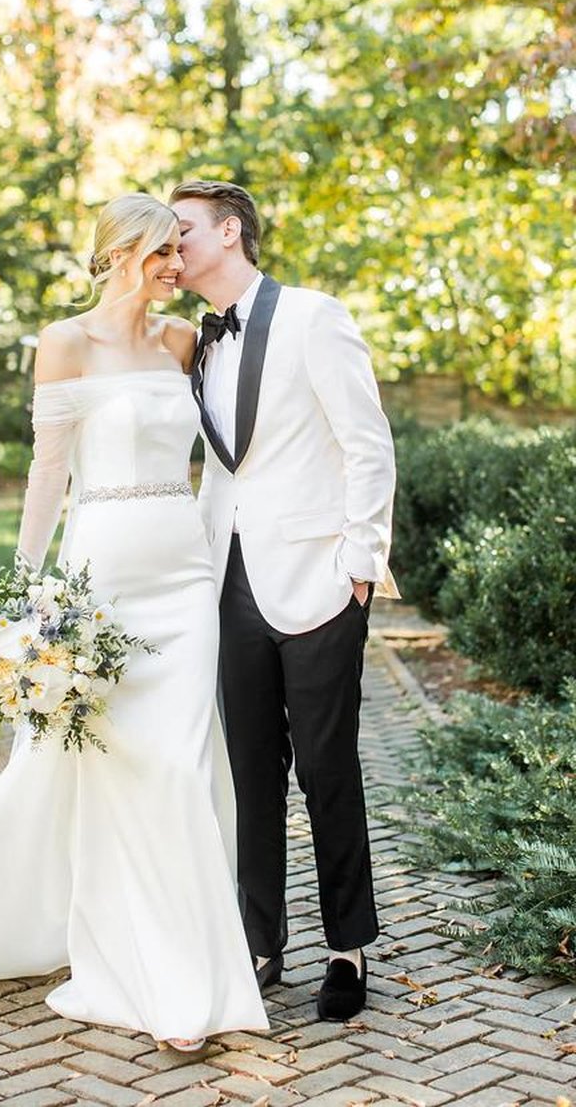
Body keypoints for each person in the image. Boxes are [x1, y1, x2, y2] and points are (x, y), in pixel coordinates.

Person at [0, 193, 268, 1050]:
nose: (175, 266)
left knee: (179, 767)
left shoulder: (183, 342)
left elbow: (227, 452)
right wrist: (26, 590)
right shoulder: (64, 344)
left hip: (184, 577)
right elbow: (47, 475)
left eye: (178, 251)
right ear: (117, 255)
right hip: (103, 577)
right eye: (160, 253)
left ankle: (188, 969)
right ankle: (128, 958)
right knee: (117, 768)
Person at [169, 179, 399, 1022]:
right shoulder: (196, 342)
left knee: (327, 770)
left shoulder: (313, 317)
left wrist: (360, 562)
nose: (171, 245)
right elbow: (222, 467)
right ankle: (259, 944)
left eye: (183, 229)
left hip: (320, 578)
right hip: (227, 578)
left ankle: (348, 948)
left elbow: (368, 445)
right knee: (249, 772)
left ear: (230, 231)